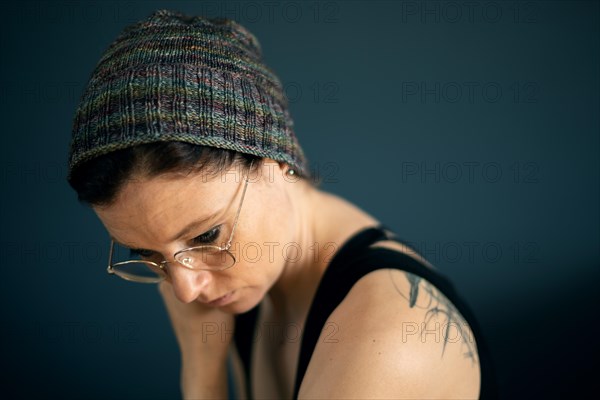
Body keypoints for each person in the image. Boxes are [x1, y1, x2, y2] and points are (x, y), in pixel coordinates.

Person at [67, 9, 496, 399]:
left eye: (206, 235)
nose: (184, 291)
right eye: (149, 255)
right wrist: (205, 360)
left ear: (276, 162)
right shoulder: (247, 289)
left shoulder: (392, 339)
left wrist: (201, 377)